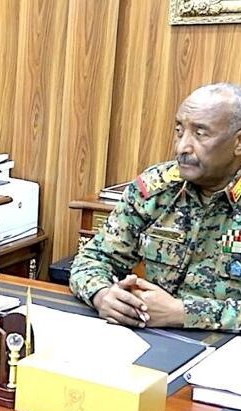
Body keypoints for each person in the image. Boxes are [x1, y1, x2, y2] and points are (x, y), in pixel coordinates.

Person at [70, 82, 241, 331]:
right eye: (179, 131)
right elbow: (93, 259)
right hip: (152, 335)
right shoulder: (156, 189)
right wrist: (103, 294)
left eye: (200, 134)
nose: (182, 147)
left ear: (238, 143)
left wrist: (184, 313)